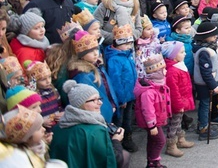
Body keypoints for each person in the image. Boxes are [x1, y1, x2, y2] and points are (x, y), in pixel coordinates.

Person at [49, 80, 120, 168]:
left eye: (99, 99)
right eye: (94, 100)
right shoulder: (97, 130)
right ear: (80, 104)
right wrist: (116, 140)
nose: (100, 102)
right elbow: (112, 159)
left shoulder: (58, 128)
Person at [103, 24, 139, 153]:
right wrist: (121, 99)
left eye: (130, 44)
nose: (129, 47)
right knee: (120, 120)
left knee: (128, 119)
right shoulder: (114, 59)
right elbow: (116, 81)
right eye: (126, 44)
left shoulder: (126, 54)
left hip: (130, 94)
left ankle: (127, 139)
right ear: (117, 43)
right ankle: (119, 142)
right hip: (122, 98)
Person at [134, 54, 171, 168]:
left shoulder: (158, 85)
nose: (165, 71)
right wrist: (152, 126)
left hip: (155, 120)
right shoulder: (149, 91)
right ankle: (154, 162)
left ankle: (151, 162)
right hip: (151, 122)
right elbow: (148, 110)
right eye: (163, 69)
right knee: (160, 141)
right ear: (156, 73)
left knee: (152, 140)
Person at [161, 40, 195, 158]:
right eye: (181, 52)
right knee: (174, 123)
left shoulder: (179, 65)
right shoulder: (172, 71)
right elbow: (173, 92)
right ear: (173, 55)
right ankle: (171, 145)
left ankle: (180, 139)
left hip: (182, 100)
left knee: (178, 121)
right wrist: (179, 105)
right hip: (177, 103)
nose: (185, 54)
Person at [192, 20, 218, 141]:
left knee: (205, 105)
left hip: (208, 83)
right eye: (213, 35)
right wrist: (213, 85)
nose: (216, 37)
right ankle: (204, 128)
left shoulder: (207, 47)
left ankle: (203, 124)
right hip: (205, 84)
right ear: (205, 37)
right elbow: (205, 72)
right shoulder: (204, 51)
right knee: (205, 105)